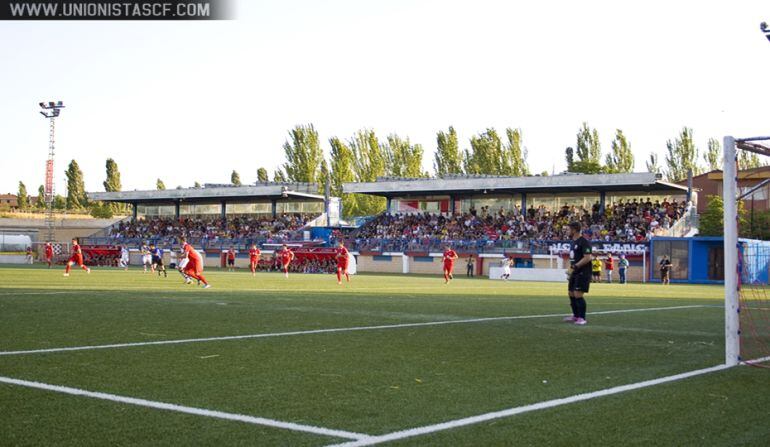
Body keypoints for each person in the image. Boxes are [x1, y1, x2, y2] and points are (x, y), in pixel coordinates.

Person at [565, 222, 592, 325]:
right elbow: (573, 258)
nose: (567, 232)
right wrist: (570, 269)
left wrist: (575, 266)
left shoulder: (584, 242)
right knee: (571, 293)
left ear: (574, 230)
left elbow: (588, 257)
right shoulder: (573, 242)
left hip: (583, 272)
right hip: (574, 272)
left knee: (577, 294)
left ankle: (582, 318)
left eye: (568, 229)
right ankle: (575, 316)